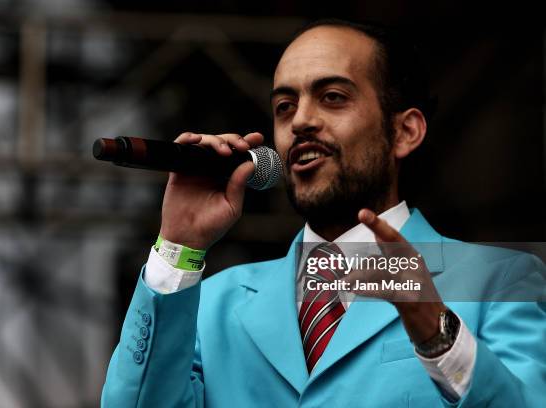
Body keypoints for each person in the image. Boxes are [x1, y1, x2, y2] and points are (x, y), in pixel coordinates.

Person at [101, 19, 546, 407]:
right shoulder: (213, 303)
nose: (300, 121)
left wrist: (437, 333)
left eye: (332, 97)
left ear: (405, 131)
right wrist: (179, 244)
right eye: (284, 107)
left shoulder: (501, 282)